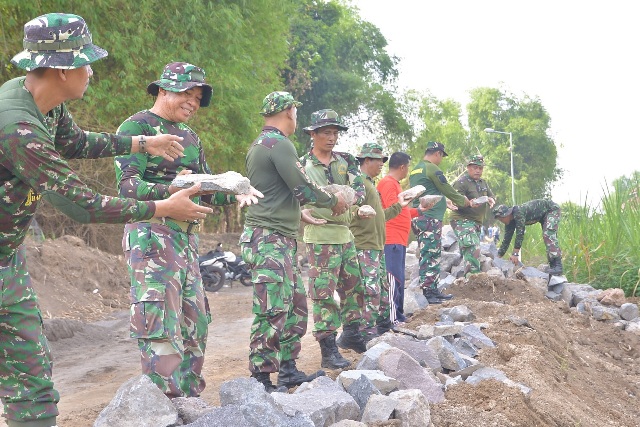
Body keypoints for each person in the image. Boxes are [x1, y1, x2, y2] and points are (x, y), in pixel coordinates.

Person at [0, 14, 212, 427]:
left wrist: (139, 142)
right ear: (62, 69)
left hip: (7, 259)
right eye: (86, 62)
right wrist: (162, 208)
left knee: (32, 377)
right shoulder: (18, 127)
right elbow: (81, 205)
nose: (91, 71)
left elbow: (76, 142)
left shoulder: (45, 104)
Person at [114, 62, 261, 398]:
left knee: (195, 322)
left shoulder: (191, 137)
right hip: (151, 234)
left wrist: (236, 191)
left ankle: (190, 402)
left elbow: (205, 186)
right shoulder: (137, 127)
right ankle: (161, 405)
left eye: (197, 97)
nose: (193, 102)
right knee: (159, 323)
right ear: (163, 90)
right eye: (186, 93)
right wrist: (170, 195)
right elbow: (127, 188)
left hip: (185, 239)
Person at [241, 92, 347, 392]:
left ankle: (287, 369)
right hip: (267, 239)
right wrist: (333, 201)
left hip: (279, 238)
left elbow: (275, 193)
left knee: (296, 305)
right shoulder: (277, 144)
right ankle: (261, 379)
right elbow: (303, 188)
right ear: (289, 112)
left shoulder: (268, 144)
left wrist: (300, 215)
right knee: (272, 308)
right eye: (295, 111)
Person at [300, 109, 367, 369]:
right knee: (323, 292)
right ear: (313, 134)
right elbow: (299, 195)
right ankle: (328, 349)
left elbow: (359, 189)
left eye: (335, 133)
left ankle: (351, 333)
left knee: (353, 286)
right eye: (326, 132)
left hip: (345, 233)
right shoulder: (302, 164)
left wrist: (346, 200)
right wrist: (331, 203)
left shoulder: (346, 161)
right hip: (320, 234)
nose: (331, 138)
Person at [350, 143, 408, 341]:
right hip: (364, 246)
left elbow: (380, 216)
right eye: (378, 161)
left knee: (382, 292)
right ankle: (365, 333)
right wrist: (357, 212)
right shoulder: (358, 183)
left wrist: (400, 206)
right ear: (366, 161)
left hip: (376, 246)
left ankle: (383, 329)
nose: (381, 165)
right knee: (370, 292)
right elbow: (349, 211)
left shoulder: (371, 185)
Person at [409, 141, 470, 304]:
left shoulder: (416, 169)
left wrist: (446, 202)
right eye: (441, 156)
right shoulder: (432, 168)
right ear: (437, 154)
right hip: (430, 218)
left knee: (426, 253)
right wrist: (462, 201)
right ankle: (430, 292)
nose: (441, 160)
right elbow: (446, 187)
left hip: (418, 217)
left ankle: (429, 289)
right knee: (431, 254)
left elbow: (430, 192)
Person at [377, 151, 419, 325]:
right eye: (407, 167)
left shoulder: (395, 185)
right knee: (393, 278)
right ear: (402, 167)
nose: (407, 171)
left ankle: (399, 314)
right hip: (391, 239)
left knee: (399, 277)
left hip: (399, 239)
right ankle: (393, 317)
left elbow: (402, 210)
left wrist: (420, 210)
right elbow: (391, 208)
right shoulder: (388, 183)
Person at [450, 155, 495, 275]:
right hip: (462, 220)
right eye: (475, 168)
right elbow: (455, 200)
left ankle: (466, 277)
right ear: (468, 168)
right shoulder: (461, 182)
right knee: (472, 247)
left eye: (480, 168)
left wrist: (490, 200)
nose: (478, 171)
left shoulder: (483, 182)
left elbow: (490, 196)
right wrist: (469, 203)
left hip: (476, 222)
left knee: (470, 248)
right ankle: (473, 279)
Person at [492, 199, 563, 275]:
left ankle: (558, 266)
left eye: (501, 218)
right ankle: (553, 266)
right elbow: (507, 239)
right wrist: (497, 258)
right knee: (547, 237)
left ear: (506, 214)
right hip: (542, 216)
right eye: (499, 219)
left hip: (551, 210)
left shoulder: (518, 212)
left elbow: (520, 233)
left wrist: (515, 254)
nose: (501, 221)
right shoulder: (510, 222)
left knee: (548, 235)